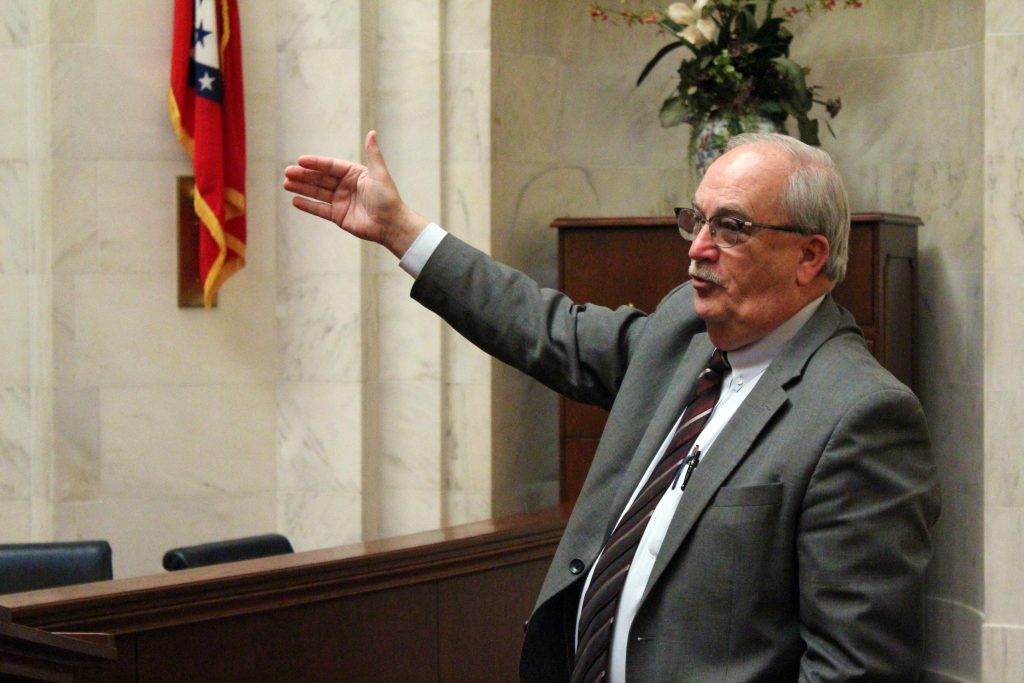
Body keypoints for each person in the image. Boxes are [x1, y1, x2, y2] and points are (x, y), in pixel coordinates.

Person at [283, 131, 940, 682]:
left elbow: (855, 670)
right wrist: (402, 231)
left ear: (809, 256)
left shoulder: (859, 415)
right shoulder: (684, 330)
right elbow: (545, 326)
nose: (697, 246)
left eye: (731, 227)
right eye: (697, 218)